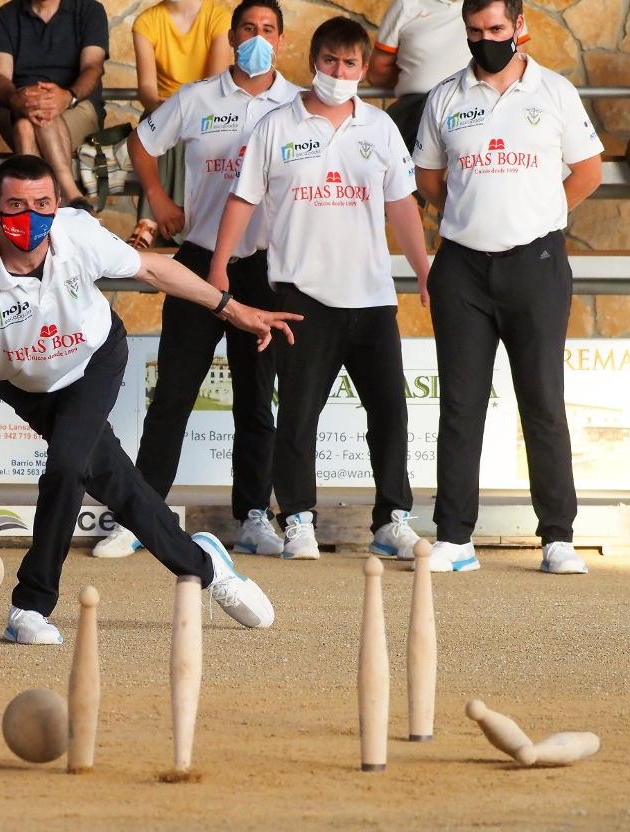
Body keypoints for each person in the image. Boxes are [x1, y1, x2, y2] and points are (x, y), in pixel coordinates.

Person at [0, 154, 300, 644]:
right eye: (15, 205)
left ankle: (30, 605)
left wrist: (232, 309)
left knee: (68, 464)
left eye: (42, 203)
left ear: (56, 204)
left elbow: (155, 271)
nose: (30, 216)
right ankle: (205, 564)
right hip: (28, 387)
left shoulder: (77, 233)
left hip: (95, 358)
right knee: (111, 478)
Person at [209, 16, 432, 561]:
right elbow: (242, 200)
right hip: (300, 296)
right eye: (330, 61)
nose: (339, 72)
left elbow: (402, 206)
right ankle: (300, 520)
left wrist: (425, 269)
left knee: (389, 413)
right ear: (313, 61)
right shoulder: (275, 126)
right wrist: (218, 267)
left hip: (373, 297)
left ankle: (392, 519)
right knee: (300, 413)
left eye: (350, 63)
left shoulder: (379, 129)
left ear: (362, 68)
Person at [95, 0, 300, 559]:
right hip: (195, 262)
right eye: (248, 29)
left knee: (256, 399)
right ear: (231, 36)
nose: (257, 38)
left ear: (280, 40)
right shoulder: (196, 97)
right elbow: (139, 142)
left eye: (267, 30)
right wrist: (157, 197)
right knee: (173, 397)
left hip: (262, 269)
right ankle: (140, 517)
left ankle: (256, 515)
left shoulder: (297, 106)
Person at [412, 0, 603, 575]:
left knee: (542, 400)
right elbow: (428, 178)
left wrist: (540, 220)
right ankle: (454, 538)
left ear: (520, 27)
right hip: (462, 268)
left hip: (536, 263)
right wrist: (471, 218)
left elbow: (588, 171)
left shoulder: (556, 92)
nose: (485, 40)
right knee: (461, 404)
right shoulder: (445, 96)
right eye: (475, 31)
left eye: (496, 29)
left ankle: (558, 537)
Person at [129, 0, 232, 248]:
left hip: (206, 109)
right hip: (162, 108)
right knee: (161, 124)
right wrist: (160, 104)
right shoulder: (146, 22)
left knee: (177, 123)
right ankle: (153, 220)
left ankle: (151, 222)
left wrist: (182, 108)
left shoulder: (218, 16)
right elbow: (146, 88)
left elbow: (214, 83)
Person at [0, 0, 108, 212]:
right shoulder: (4, 17)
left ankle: (30, 206)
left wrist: (67, 96)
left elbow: (93, 67)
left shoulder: (90, 10)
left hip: (76, 107)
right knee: (31, 118)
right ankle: (71, 196)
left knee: (30, 123)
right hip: (17, 107)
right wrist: (17, 100)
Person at [367, 0, 529, 156]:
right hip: (415, 109)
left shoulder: (500, 5)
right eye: (474, 30)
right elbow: (377, 72)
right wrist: (420, 82)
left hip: (480, 102)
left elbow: (515, 61)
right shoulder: (406, 4)